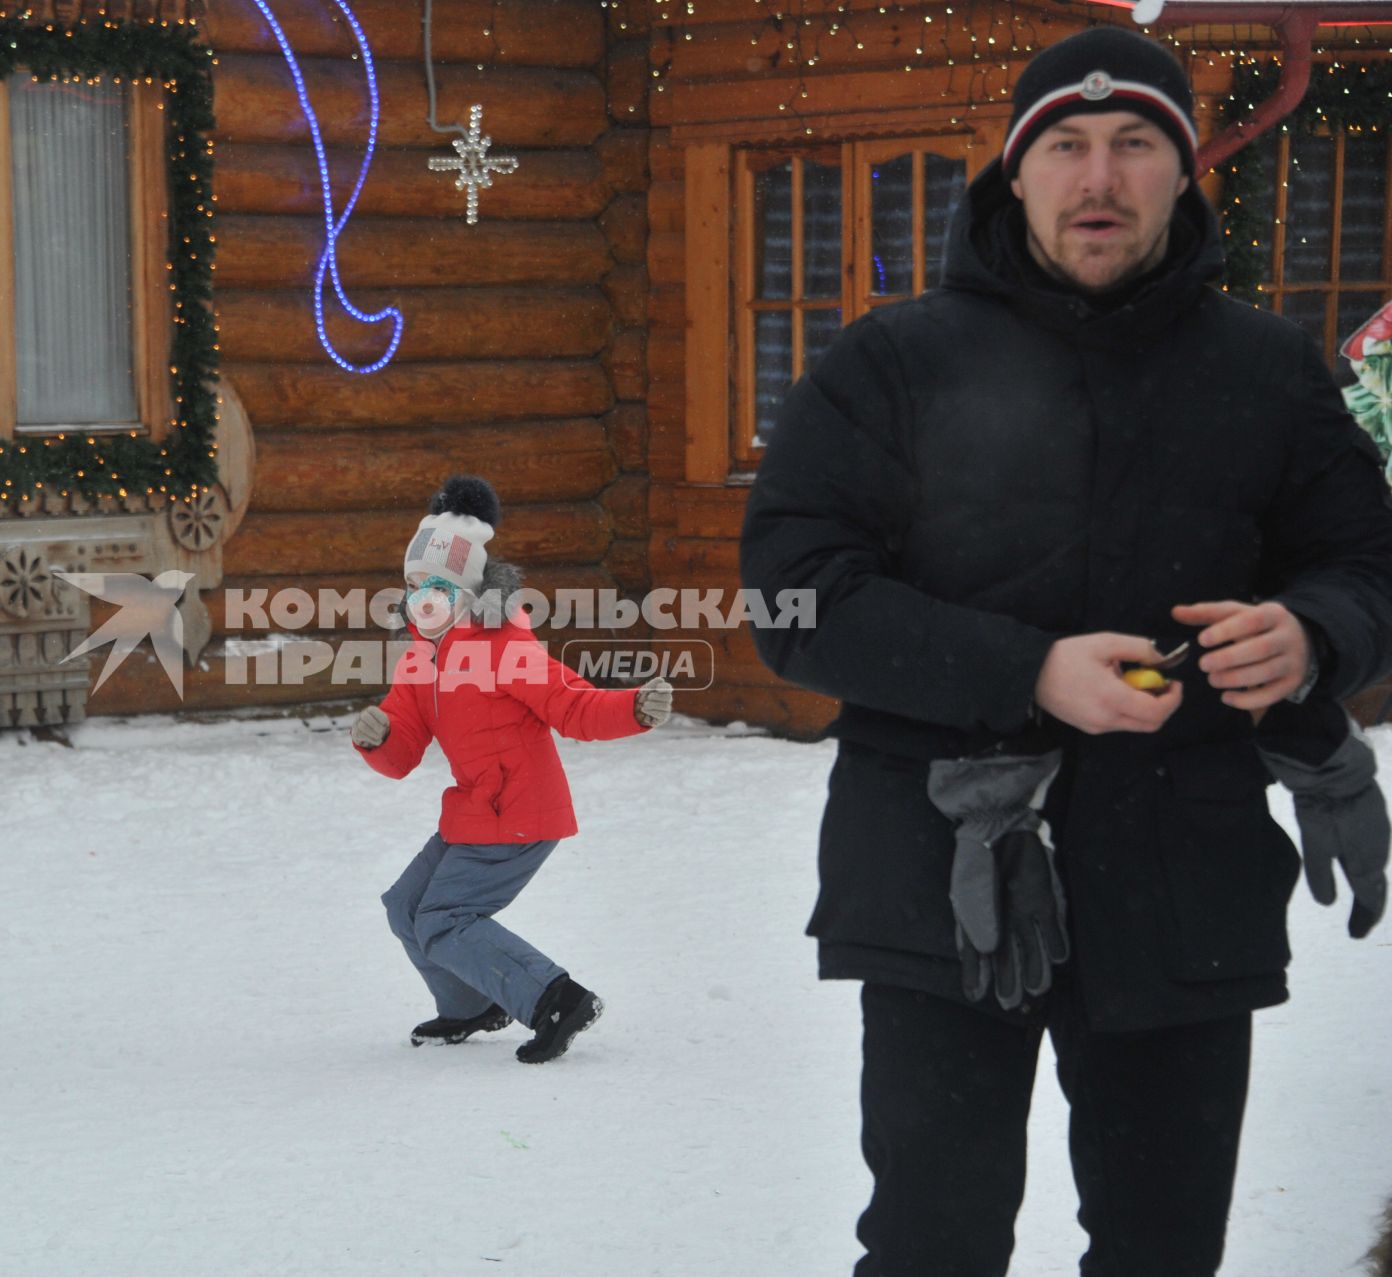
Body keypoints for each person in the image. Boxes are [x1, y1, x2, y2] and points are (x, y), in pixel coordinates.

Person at [739, 27, 1392, 1276]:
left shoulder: (1264, 370)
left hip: (1183, 876)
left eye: (1136, 144)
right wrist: (1024, 670)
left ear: (1183, 170)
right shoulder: (893, 362)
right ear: (1017, 171)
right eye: (1069, 147)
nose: (1101, 178)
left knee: (1162, 1250)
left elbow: (1370, 566)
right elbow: (791, 598)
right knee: (935, 1242)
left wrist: (1315, 633)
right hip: (943, 873)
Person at [353, 476, 672, 1063]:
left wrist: (634, 708)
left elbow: (573, 705)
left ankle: (555, 999)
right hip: (476, 811)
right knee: (407, 907)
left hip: (520, 812)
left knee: (445, 919)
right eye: (415, 584)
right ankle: (472, 1004)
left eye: (439, 586)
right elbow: (400, 756)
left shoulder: (505, 647)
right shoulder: (421, 660)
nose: (423, 597)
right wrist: (376, 737)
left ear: (469, 591)